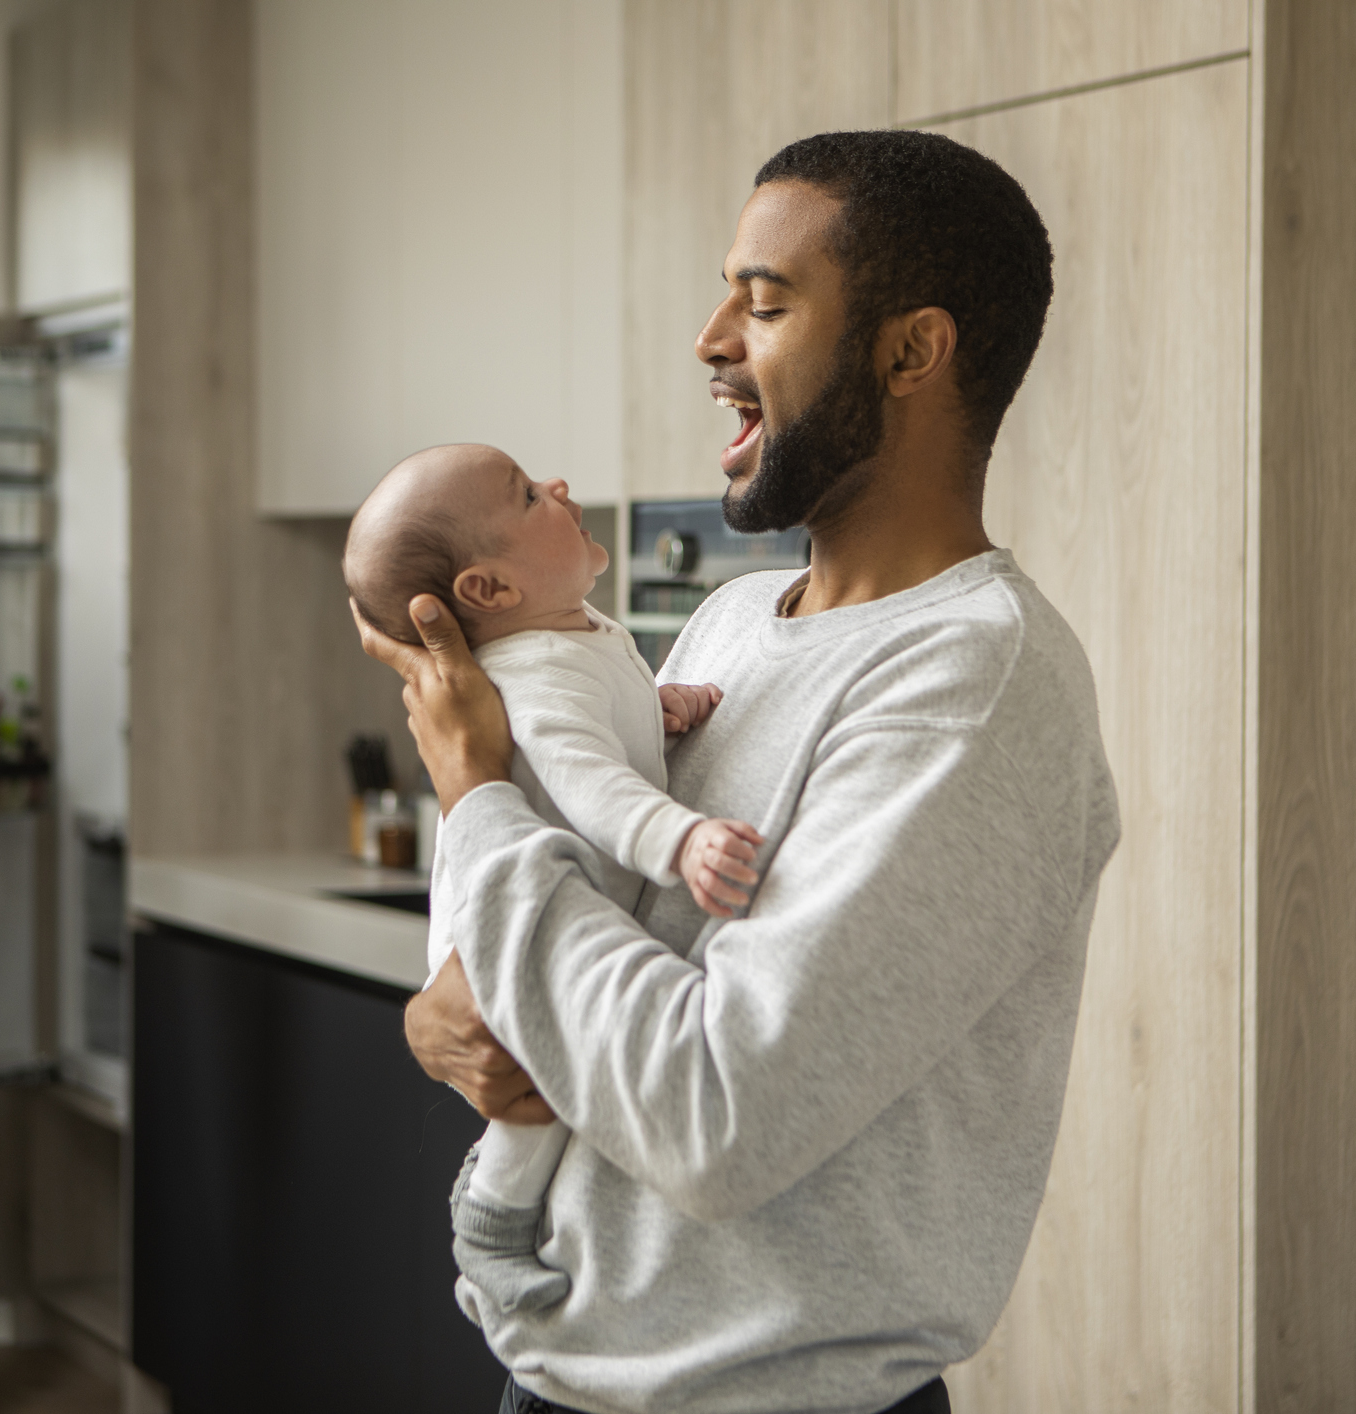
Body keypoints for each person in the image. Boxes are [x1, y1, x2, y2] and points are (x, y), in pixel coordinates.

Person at [357, 130, 1119, 1414]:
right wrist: (442, 1013)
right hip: (559, 1373)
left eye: (762, 302)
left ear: (911, 350)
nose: (713, 338)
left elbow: (714, 1116)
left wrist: (474, 792)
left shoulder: (975, 682)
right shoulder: (725, 627)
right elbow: (578, 932)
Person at [344, 441, 761, 1315]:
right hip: (502, 913)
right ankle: (490, 1220)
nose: (560, 486)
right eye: (529, 494)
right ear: (491, 592)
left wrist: (659, 704)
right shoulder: (531, 675)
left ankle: (492, 1210)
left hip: (542, 900)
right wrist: (679, 840)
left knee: (548, 1068)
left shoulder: (572, 635)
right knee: (536, 1091)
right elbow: (587, 781)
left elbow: (610, 714)